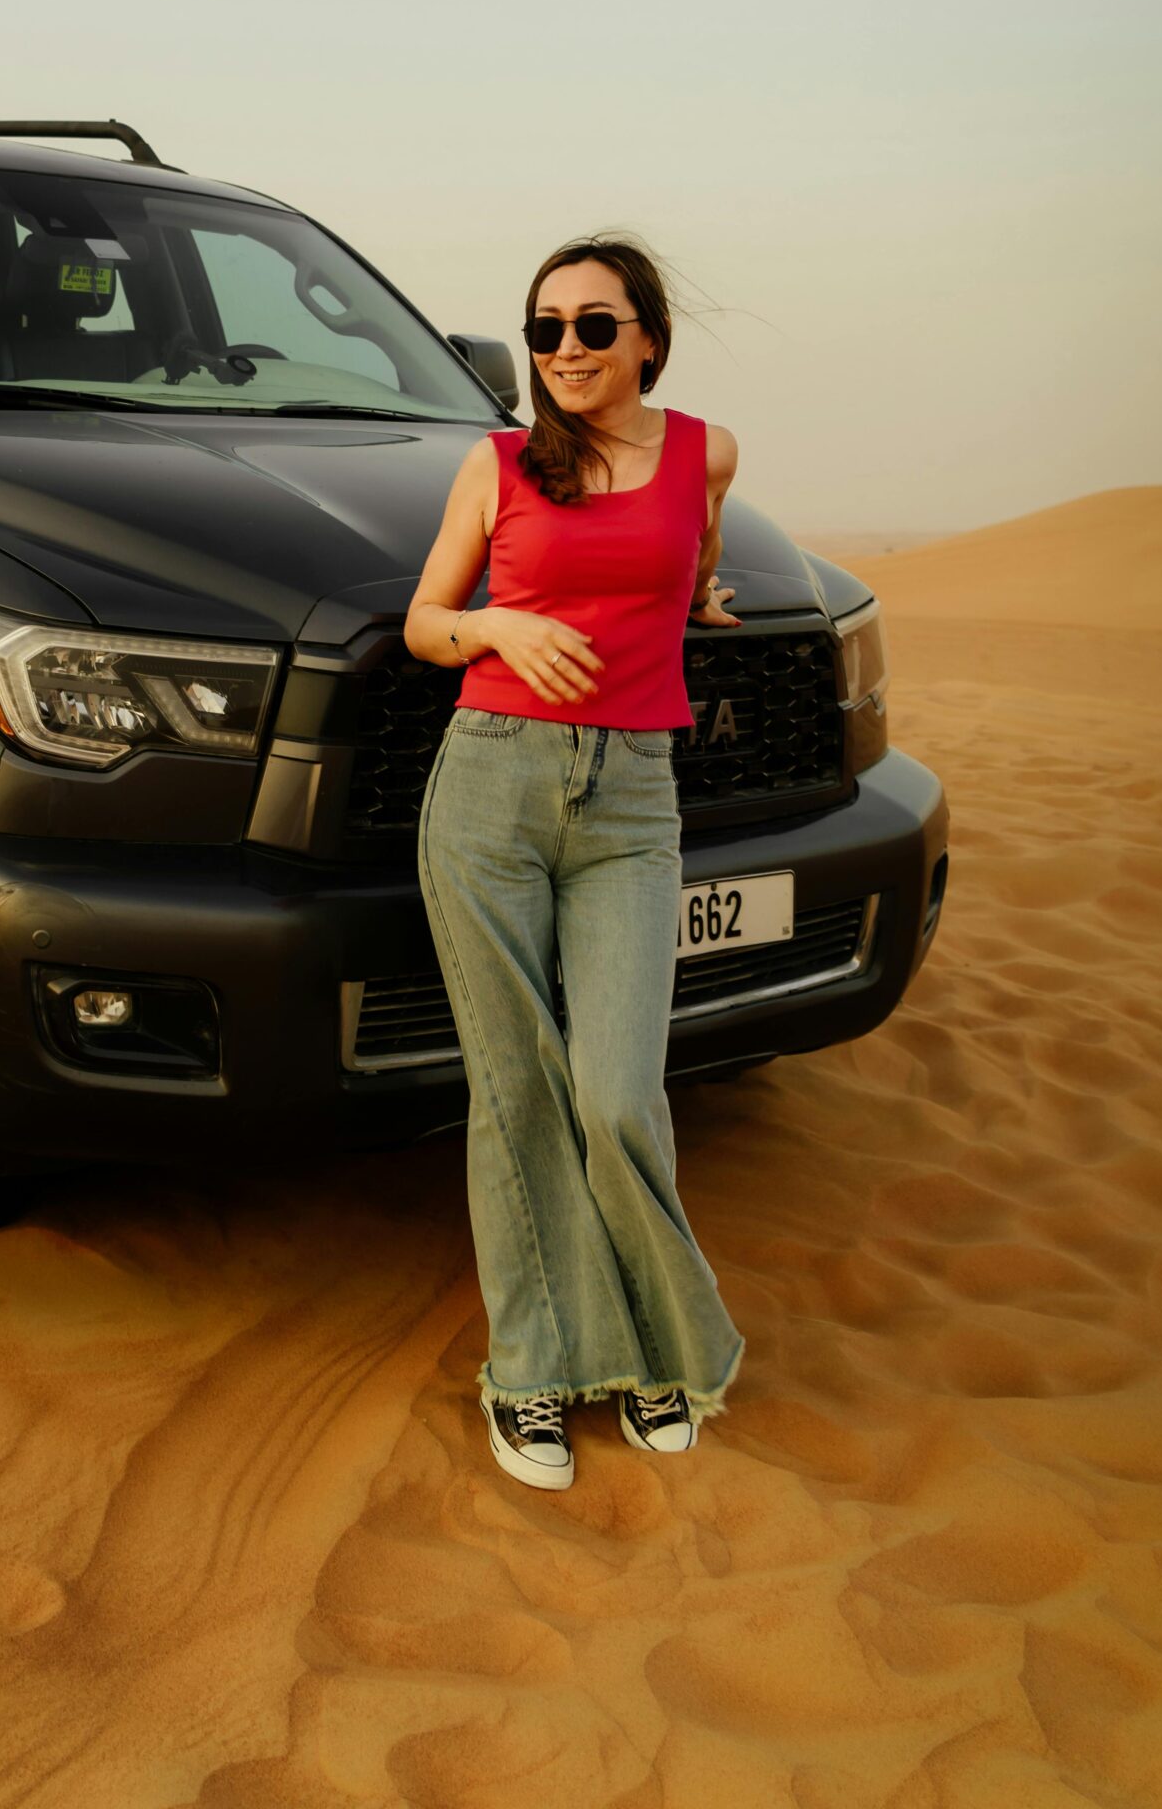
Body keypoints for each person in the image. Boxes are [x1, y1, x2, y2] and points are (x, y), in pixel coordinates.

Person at [405, 233, 747, 1492]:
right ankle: (533, 1376)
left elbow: (695, 564)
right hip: (490, 782)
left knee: (614, 1091)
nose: (563, 352)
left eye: (593, 328)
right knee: (517, 1090)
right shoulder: (497, 464)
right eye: (545, 330)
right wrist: (492, 619)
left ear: (647, 338)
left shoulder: (704, 452)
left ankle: (663, 1343)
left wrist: (698, 602)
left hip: (631, 807)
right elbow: (422, 621)